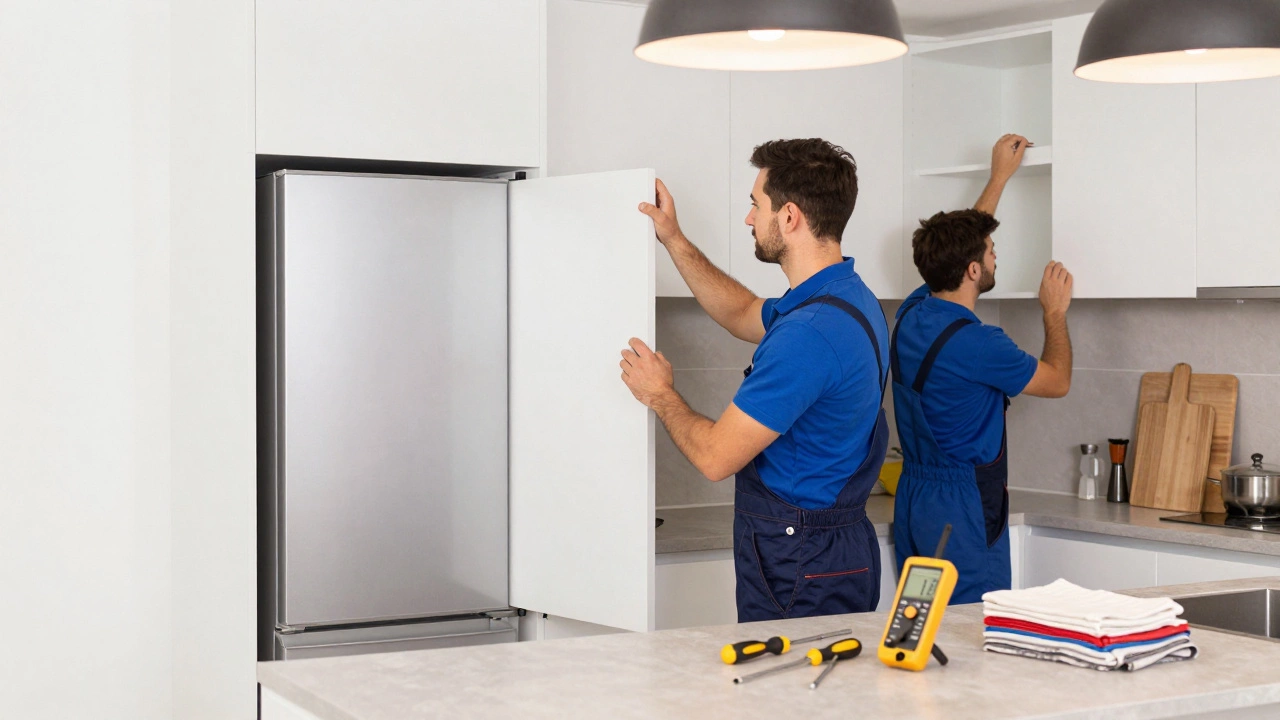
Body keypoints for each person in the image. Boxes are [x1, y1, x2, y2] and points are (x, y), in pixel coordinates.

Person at [618, 139, 889, 620]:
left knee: (790, 692)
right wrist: (674, 239)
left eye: (754, 205)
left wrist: (659, 394)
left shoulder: (808, 335)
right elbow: (742, 311)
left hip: (799, 557)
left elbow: (715, 457)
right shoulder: (845, 298)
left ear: (789, 217)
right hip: (836, 549)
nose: (748, 219)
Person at [891, 134, 1074, 604]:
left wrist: (998, 178)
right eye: (990, 249)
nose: (995, 255)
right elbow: (1058, 382)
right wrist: (1053, 313)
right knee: (971, 631)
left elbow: (955, 249)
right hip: (962, 509)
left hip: (914, 501)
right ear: (973, 270)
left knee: (920, 628)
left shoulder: (912, 314)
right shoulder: (980, 344)